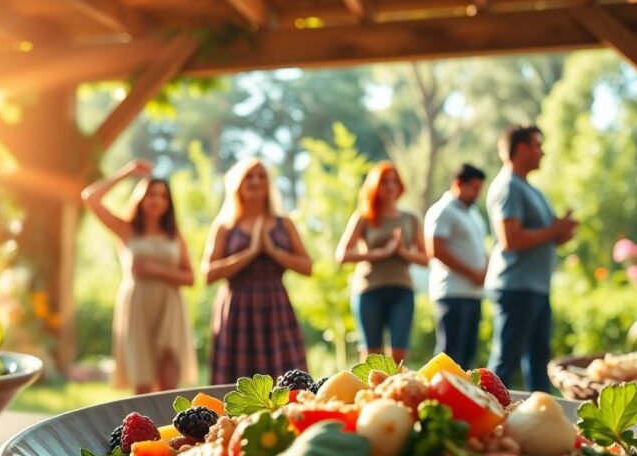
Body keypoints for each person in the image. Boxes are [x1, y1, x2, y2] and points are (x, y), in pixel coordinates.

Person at [81, 159, 197, 394]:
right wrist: (127, 172)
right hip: (138, 305)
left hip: (170, 307)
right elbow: (90, 197)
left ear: (169, 203)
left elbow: (190, 278)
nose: (157, 200)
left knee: (169, 382)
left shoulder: (174, 236)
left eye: (163, 196)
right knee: (142, 381)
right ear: (141, 197)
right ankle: (143, 420)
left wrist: (156, 270)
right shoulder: (127, 230)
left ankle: (170, 418)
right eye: (151, 194)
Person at [202, 158, 313, 384]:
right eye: (249, 176)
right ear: (237, 184)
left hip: (275, 306)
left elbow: (307, 266)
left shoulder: (284, 223)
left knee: (285, 381)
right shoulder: (225, 226)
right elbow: (208, 274)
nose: (255, 181)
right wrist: (250, 252)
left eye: (261, 176)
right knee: (235, 383)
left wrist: (272, 251)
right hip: (237, 308)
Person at [484, 125, 578, 391]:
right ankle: (482, 407)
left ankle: (541, 413)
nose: (542, 152)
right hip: (516, 289)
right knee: (505, 362)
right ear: (522, 148)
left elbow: (543, 236)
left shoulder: (529, 189)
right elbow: (510, 239)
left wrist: (560, 232)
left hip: (534, 289)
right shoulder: (508, 186)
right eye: (538, 145)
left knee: (538, 363)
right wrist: (554, 230)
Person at [336, 161, 428, 363]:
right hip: (369, 290)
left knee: (399, 354)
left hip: (402, 289)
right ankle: (369, 386)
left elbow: (426, 258)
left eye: (394, 181)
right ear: (375, 186)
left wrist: (402, 252)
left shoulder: (411, 218)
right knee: (371, 354)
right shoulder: (364, 217)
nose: (390, 186)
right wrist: (380, 253)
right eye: (385, 182)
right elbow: (342, 255)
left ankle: (397, 384)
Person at [424, 163, 488, 370]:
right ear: (459, 184)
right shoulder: (443, 210)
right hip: (452, 293)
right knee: (449, 357)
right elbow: (436, 249)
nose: (477, 194)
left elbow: (479, 248)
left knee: (467, 358)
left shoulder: (472, 213)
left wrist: (485, 270)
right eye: (474, 188)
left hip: (473, 293)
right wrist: (472, 273)